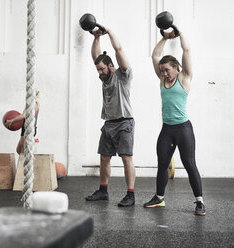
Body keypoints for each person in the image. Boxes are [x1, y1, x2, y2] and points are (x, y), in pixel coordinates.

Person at [143, 29, 206, 216]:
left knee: (189, 164)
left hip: (183, 129)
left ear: (176, 67)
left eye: (167, 69)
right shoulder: (162, 79)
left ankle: (200, 202)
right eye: (162, 70)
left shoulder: (184, 77)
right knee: (162, 163)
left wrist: (179, 33)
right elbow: (155, 55)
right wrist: (164, 37)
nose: (164, 73)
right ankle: (159, 198)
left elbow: (186, 51)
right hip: (167, 129)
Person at [85, 26, 136, 207]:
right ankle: (103, 191)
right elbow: (96, 57)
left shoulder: (123, 75)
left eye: (102, 69)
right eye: (98, 70)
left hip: (124, 122)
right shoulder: (104, 78)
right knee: (104, 157)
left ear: (111, 66)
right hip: (108, 123)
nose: (99, 72)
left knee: (126, 158)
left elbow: (119, 50)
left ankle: (130, 194)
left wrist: (109, 31)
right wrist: (97, 37)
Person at [5, 90, 40, 155]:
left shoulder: (33, 104)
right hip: (25, 128)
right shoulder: (30, 104)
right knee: (18, 150)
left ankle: (28, 163)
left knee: (23, 152)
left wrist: (11, 121)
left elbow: (23, 115)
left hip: (29, 129)